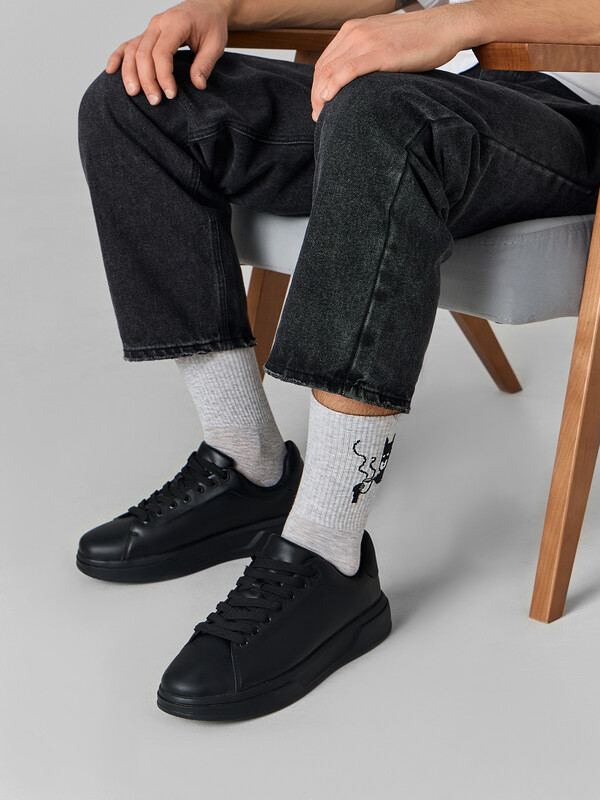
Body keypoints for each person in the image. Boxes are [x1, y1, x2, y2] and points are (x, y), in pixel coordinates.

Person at [77, 0, 600, 721]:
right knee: (135, 99)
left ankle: (329, 550)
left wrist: (461, 22)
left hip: (566, 109)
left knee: (385, 117)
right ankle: (248, 464)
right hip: (433, 83)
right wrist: (223, 6)